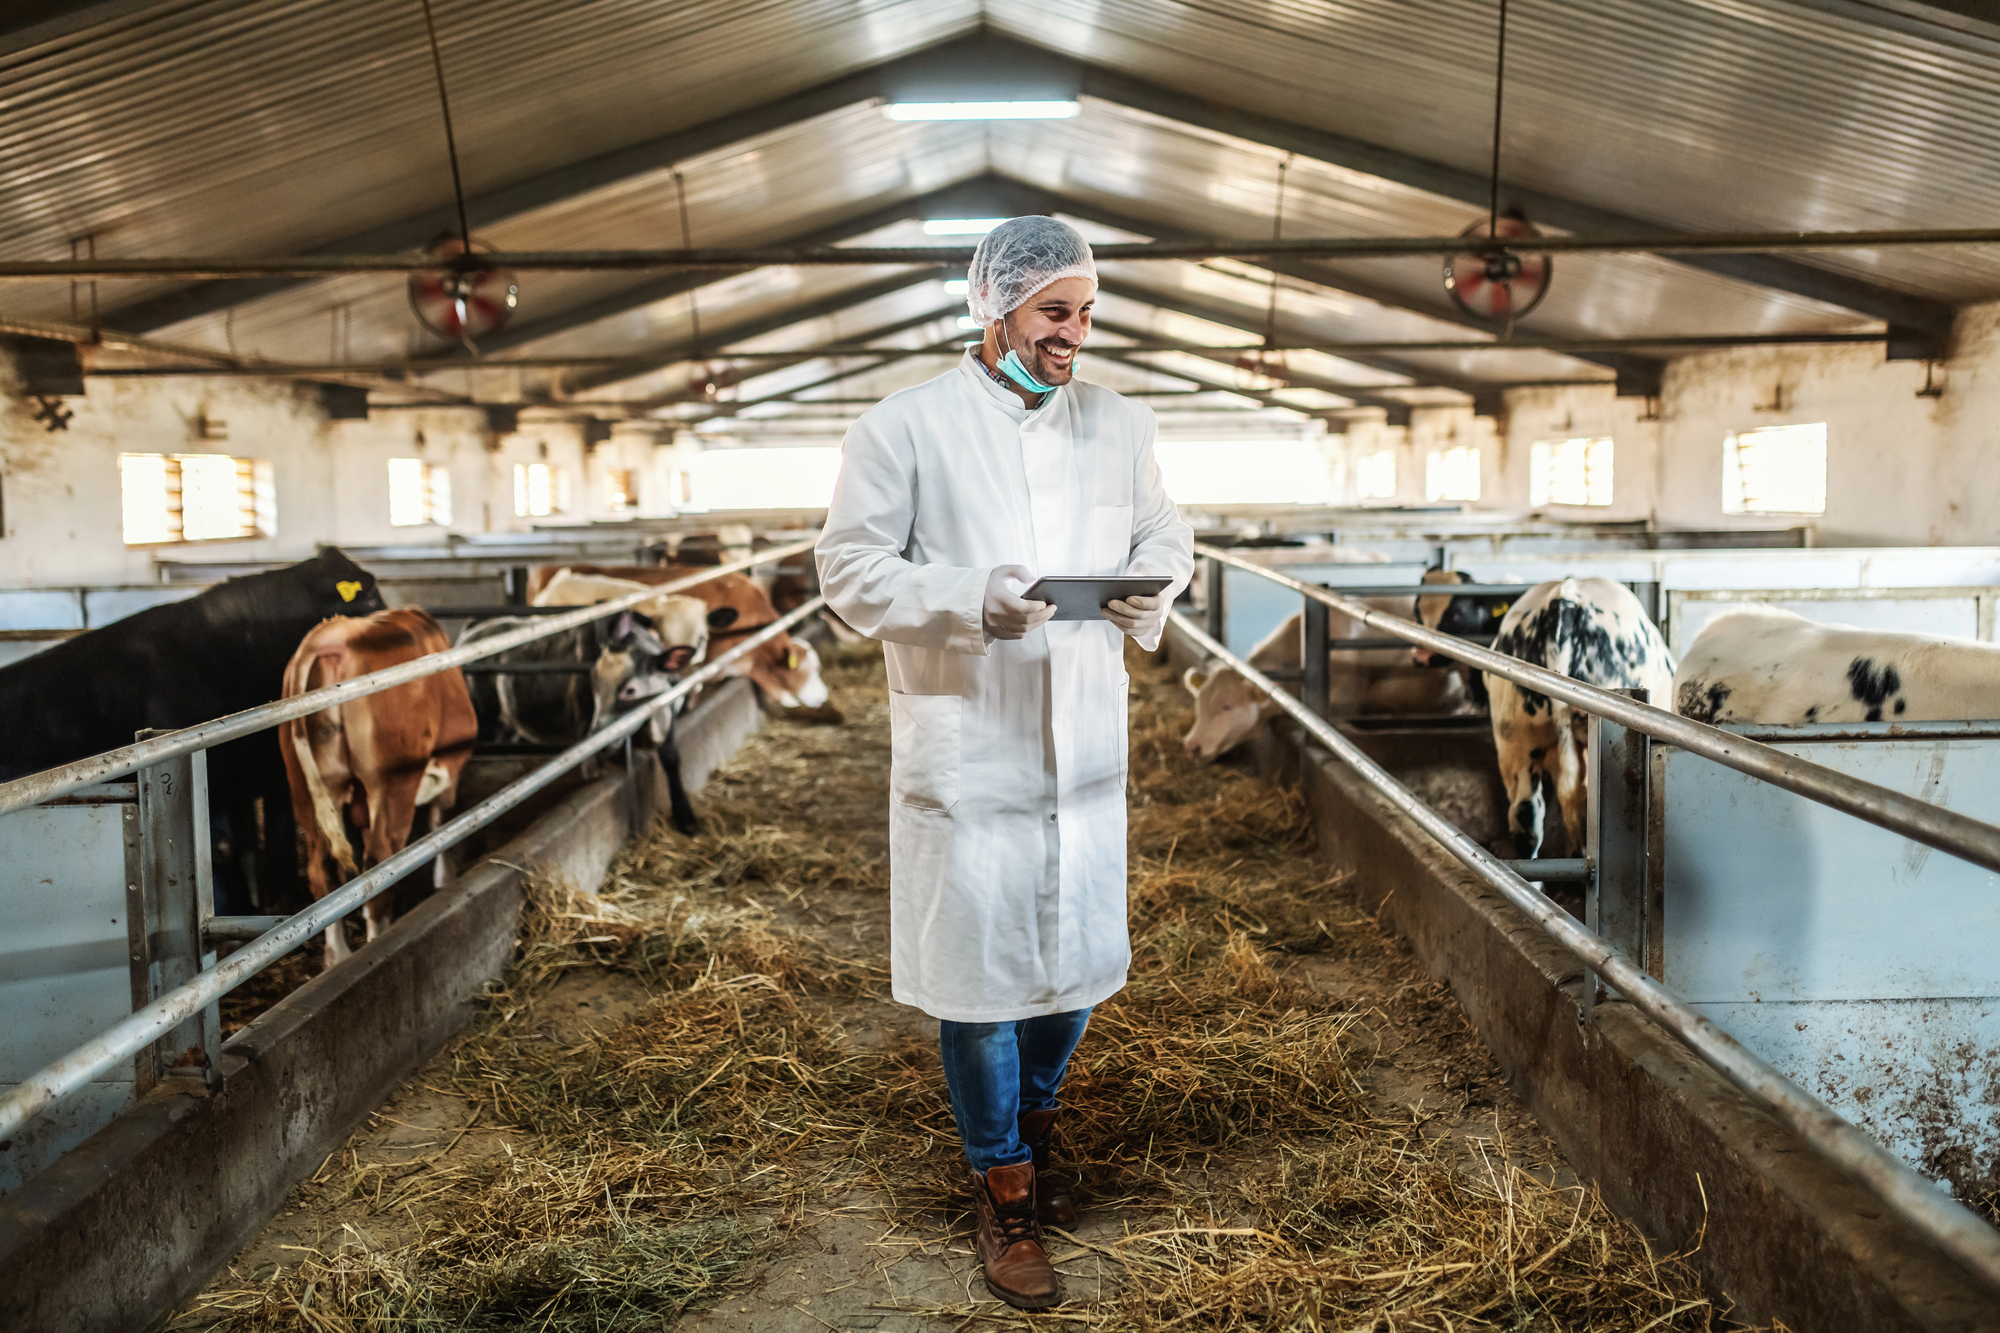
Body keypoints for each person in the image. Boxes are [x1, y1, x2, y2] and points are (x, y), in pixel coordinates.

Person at [816, 216, 1194, 1310]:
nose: (1074, 333)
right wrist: (957, 597)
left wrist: (1149, 581)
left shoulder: (1119, 423)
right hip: (966, 744)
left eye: (1084, 312)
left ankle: (1033, 1116)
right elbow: (845, 570)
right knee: (979, 983)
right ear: (995, 307)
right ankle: (1005, 1186)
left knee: (1072, 969)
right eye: (1053, 313)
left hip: (1078, 742)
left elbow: (1167, 532)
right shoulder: (903, 428)